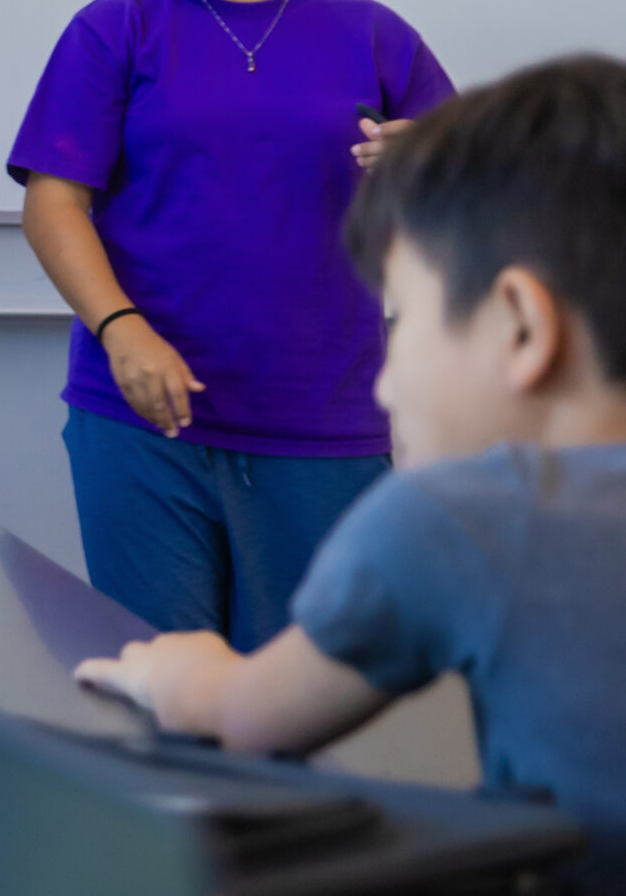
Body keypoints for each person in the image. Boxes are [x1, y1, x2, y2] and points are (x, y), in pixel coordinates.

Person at [78, 57, 626, 886]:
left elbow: (246, 715)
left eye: (402, 317)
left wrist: (167, 671)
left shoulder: (468, 516)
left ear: (521, 326)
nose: (385, 383)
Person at [11, 0, 454, 649]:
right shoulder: (115, 29)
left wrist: (432, 171)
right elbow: (53, 203)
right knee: (158, 689)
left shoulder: (372, 35)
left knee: (298, 693)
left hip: (321, 423)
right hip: (143, 418)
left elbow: (476, 212)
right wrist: (121, 330)